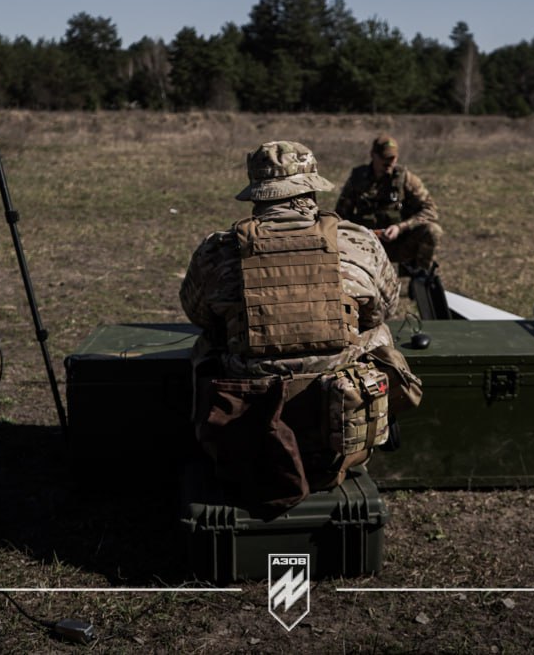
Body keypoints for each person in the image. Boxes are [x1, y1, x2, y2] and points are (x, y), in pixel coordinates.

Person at [180, 141, 421, 509]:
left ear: (257, 194)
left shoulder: (218, 251)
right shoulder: (357, 241)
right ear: (311, 186)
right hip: (339, 432)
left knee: (208, 342)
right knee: (379, 333)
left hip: (247, 430)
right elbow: (384, 308)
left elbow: (197, 314)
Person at [334, 133, 442, 274]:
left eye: (393, 158)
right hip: (364, 243)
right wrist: (358, 234)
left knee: (432, 231)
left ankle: (419, 277)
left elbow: (430, 210)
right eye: (384, 158)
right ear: (373, 155)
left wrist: (400, 227)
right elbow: (340, 215)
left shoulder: (405, 179)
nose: (389, 162)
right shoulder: (358, 179)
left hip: (397, 242)